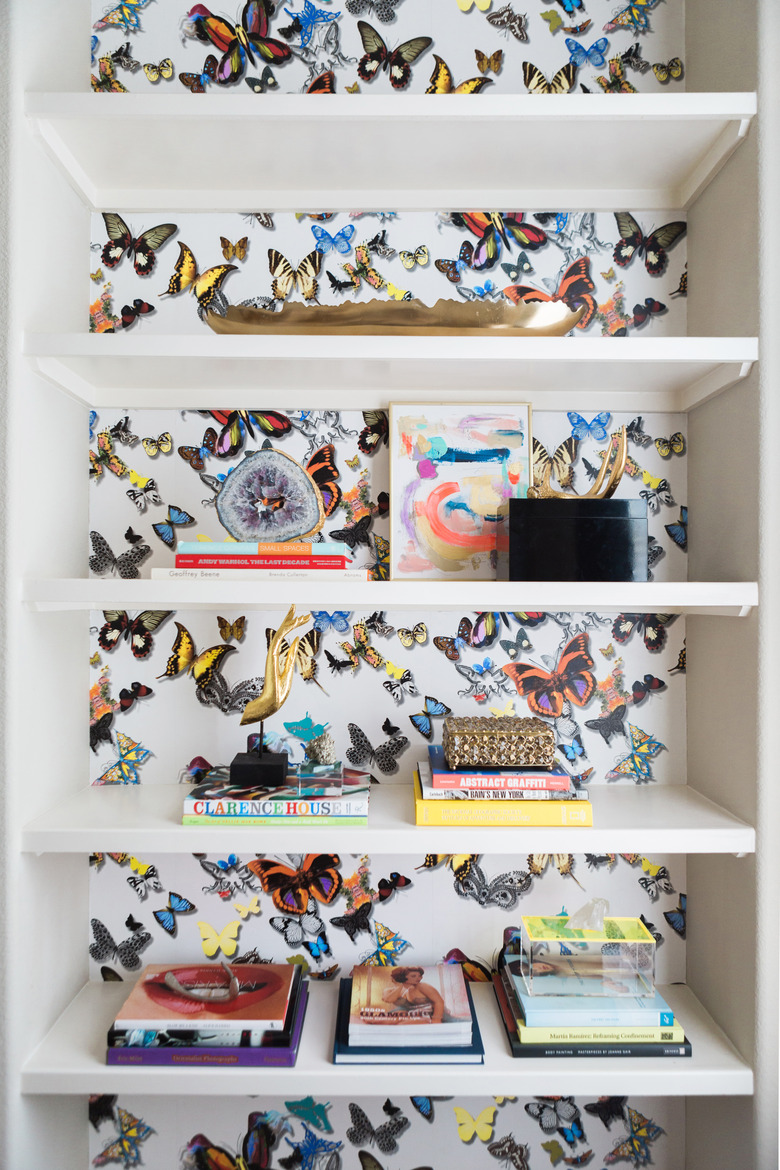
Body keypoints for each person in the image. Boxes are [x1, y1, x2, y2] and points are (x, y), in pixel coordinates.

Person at [380, 966, 446, 1023]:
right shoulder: (389, 990)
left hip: (432, 1013)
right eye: (413, 976)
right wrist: (400, 985)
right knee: (382, 1020)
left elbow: (439, 1001)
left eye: (419, 976)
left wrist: (436, 1019)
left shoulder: (422, 986)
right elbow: (388, 999)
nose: (419, 978)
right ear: (403, 977)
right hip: (408, 1014)